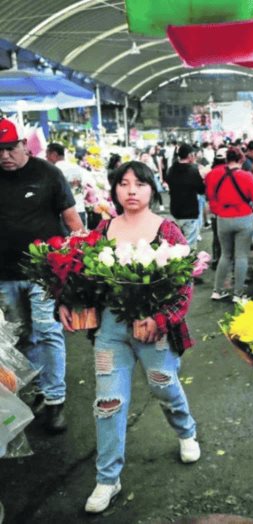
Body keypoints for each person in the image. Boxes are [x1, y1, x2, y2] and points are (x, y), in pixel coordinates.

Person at [58, 161, 200, 513]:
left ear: (153, 189)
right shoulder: (102, 229)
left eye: (139, 183)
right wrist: (67, 300)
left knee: (164, 385)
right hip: (110, 333)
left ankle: (186, 430)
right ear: (115, 189)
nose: (131, 190)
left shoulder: (167, 232)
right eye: (123, 183)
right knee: (108, 403)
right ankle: (107, 479)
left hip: (155, 332)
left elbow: (184, 286)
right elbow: (81, 275)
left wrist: (162, 317)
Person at [0, 118, 83, 433]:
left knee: (48, 332)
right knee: (22, 337)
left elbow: (71, 219)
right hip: (4, 275)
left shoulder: (48, 173)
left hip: (43, 272)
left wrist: (78, 257)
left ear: (24, 145)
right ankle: (38, 390)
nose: (5, 156)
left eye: (10, 148)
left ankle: (54, 400)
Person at [205, 147, 253, 302]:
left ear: (226, 159)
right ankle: (238, 294)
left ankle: (217, 291)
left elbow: (210, 197)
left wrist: (219, 211)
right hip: (244, 218)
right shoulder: (247, 176)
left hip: (223, 218)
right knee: (241, 256)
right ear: (241, 159)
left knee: (225, 255)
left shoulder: (214, 175)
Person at [164, 143, 206, 250]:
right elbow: (201, 190)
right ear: (190, 155)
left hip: (175, 210)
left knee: (178, 243)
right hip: (189, 212)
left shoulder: (171, 169)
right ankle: (190, 265)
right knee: (189, 245)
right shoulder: (193, 171)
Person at [46, 142, 88, 226]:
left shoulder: (54, 170)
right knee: (82, 238)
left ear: (54, 155)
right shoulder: (76, 167)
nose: (46, 158)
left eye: (47, 154)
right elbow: (83, 188)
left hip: (66, 215)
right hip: (80, 210)